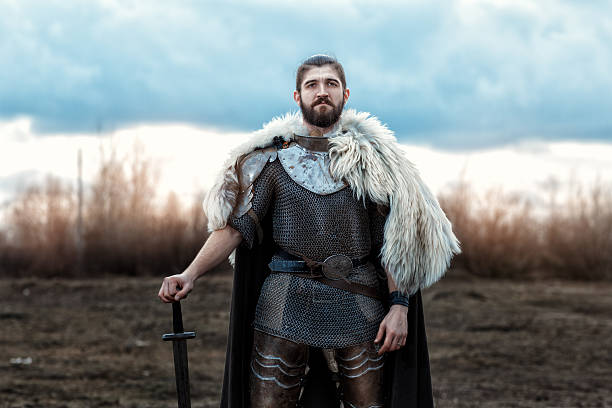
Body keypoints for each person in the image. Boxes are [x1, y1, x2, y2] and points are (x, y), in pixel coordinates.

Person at [159, 54, 460, 408]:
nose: (322, 92)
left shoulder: (372, 164)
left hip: (359, 301)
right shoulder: (271, 161)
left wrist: (398, 307)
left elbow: (392, 244)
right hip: (283, 301)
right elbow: (235, 228)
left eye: (330, 84)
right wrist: (189, 273)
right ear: (297, 96)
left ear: (345, 95)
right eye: (312, 85)